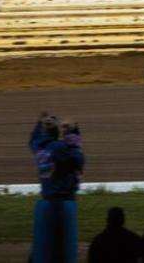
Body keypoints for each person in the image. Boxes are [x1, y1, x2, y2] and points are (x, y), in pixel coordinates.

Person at [29, 112, 85, 263]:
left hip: (46, 201)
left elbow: (33, 140)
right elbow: (78, 160)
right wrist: (72, 133)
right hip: (64, 202)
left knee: (43, 251)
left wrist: (39, 123)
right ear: (58, 132)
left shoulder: (39, 148)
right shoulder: (59, 147)